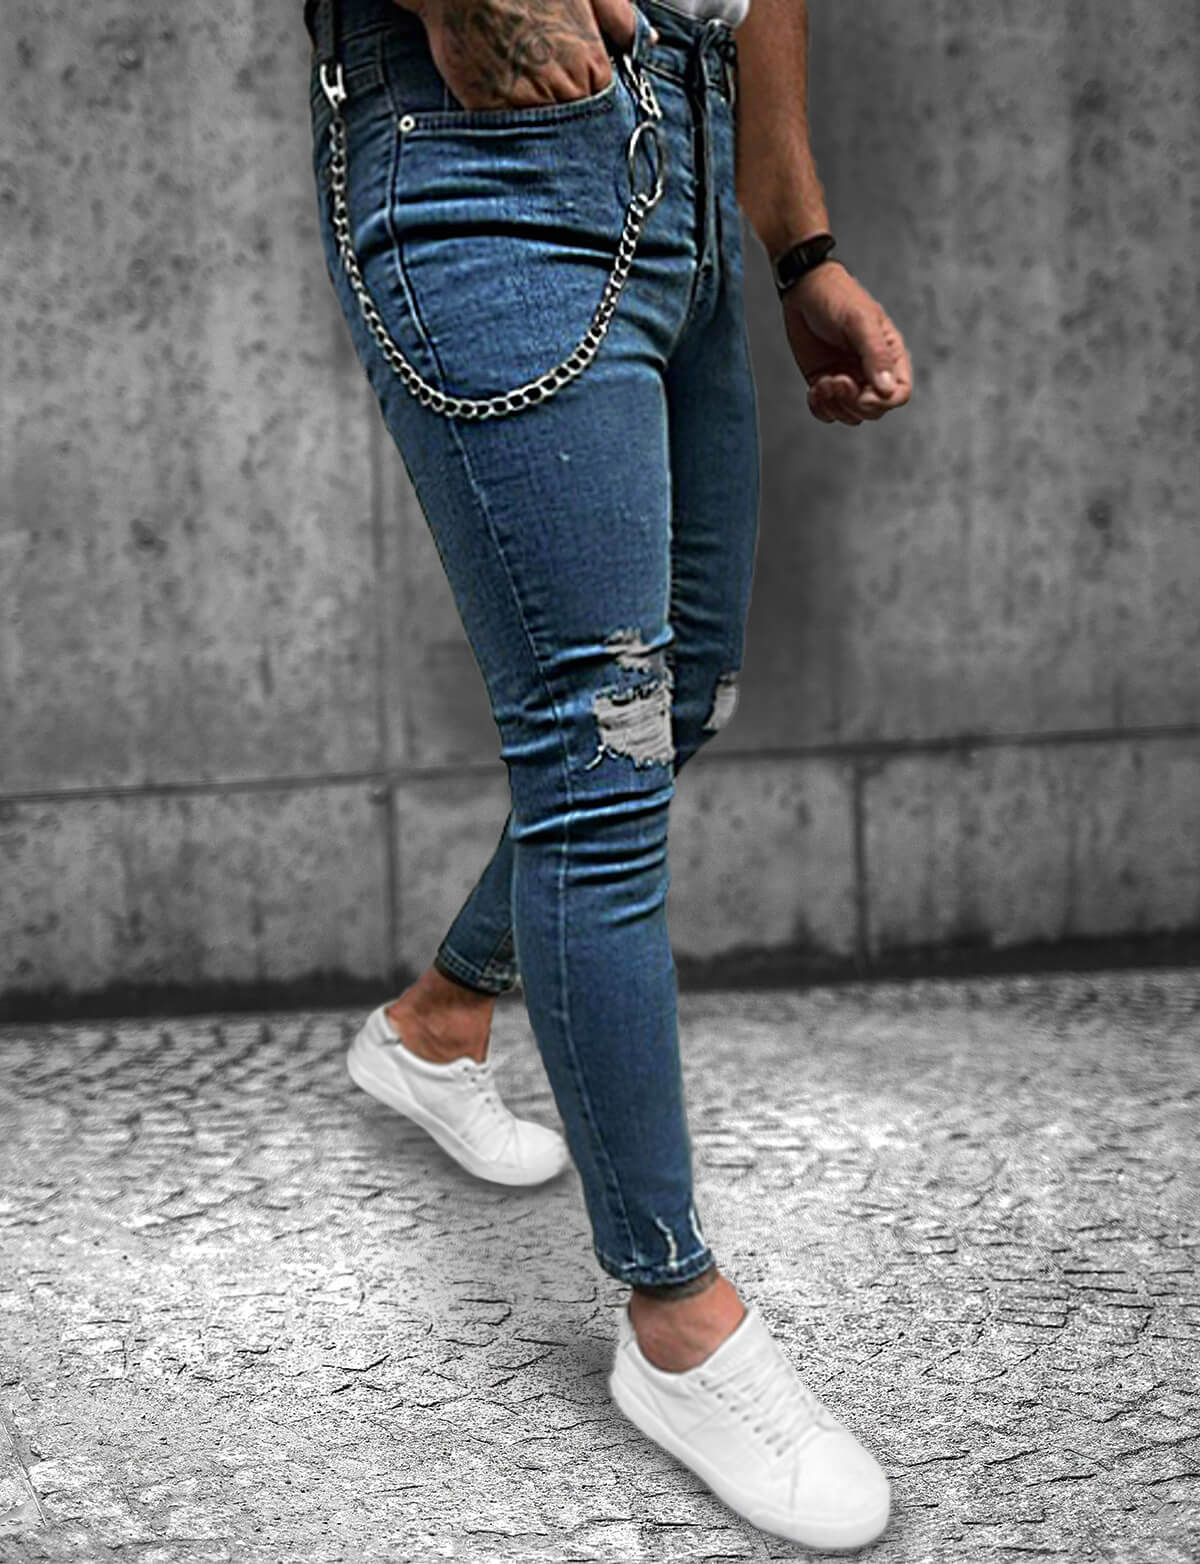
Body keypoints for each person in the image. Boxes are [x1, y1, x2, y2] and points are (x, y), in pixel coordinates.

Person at [304, 0, 911, 1547]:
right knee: (600, 744)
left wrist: (797, 242)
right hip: (494, 159)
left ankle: (438, 1022)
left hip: (687, 150)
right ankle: (676, 1319)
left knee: (675, 702)